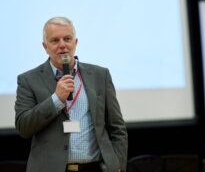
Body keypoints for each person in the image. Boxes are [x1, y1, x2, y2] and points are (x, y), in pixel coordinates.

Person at [15, 16, 128, 172]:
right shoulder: (29, 80)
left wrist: (118, 165)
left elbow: (117, 128)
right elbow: (23, 127)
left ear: (75, 42)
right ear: (45, 46)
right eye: (55, 40)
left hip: (95, 167)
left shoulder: (100, 75)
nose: (62, 45)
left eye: (67, 39)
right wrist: (56, 99)